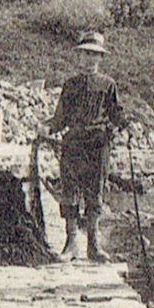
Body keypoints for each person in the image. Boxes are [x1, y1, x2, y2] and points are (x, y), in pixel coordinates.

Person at [48, 31, 127, 262]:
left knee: (95, 193)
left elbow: (116, 113)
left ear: (100, 59)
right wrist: (47, 128)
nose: (90, 59)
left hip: (98, 145)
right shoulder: (70, 85)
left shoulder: (108, 85)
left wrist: (126, 126)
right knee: (70, 192)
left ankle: (93, 246)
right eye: (86, 54)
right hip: (73, 144)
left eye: (95, 55)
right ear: (79, 56)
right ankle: (71, 243)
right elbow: (60, 118)